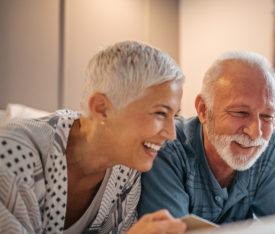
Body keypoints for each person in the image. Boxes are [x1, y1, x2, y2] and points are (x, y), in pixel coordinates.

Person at [0, 41, 187, 233]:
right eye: (160, 113)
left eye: (175, 116)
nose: (171, 134)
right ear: (102, 109)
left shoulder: (127, 170)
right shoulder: (13, 151)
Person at [138, 51, 275, 224]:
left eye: (267, 117)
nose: (256, 133)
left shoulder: (271, 147)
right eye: (240, 112)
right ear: (203, 110)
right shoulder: (167, 146)